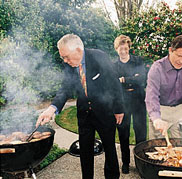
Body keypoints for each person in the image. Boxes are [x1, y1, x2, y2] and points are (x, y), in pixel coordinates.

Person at [36, 34, 124, 179]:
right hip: (84, 114)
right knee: (85, 152)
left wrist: (119, 109)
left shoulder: (99, 57)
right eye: (63, 57)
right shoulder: (69, 64)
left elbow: (114, 83)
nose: (65, 61)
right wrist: (52, 108)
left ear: (78, 50)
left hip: (105, 112)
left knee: (109, 148)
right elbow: (65, 87)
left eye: (66, 57)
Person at [145, 35, 182, 139]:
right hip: (160, 111)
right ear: (170, 50)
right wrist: (156, 119)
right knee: (157, 148)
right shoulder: (157, 68)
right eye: (179, 56)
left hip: (180, 111)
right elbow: (152, 96)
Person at [113, 35, 147, 174]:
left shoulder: (137, 60)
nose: (123, 51)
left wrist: (124, 79)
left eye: (125, 48)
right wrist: (134, 78)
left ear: (129, 47)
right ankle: (125, 163)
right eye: (121, 49)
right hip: (123, 101)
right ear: (117, 49)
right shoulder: (114, 66)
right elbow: (114, 83)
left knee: (141, 133)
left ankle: (141, 163)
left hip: (138, 100)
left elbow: (143, 79)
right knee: (123, 133)